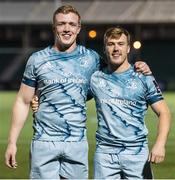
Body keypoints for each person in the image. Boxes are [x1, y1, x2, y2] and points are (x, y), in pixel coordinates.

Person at [5, 5, 151, 180]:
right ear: (54, 27)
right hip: (44, 142)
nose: (67, 29)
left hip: (77, 144)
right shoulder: (37, 59)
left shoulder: (92, 59)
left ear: (78, 28)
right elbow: (22, 100)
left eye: (72, 24)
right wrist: (12, 142)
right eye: (61, 24)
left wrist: (140, 66)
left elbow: (117, 71)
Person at [90, 26, 171, 179]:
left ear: (128, 48)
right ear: (105, 48)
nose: (116, 48)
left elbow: (164, 112)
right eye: (111, 44)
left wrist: (160, 144)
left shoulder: (143, 76)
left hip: (137, 153)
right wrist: (37, 99)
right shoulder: (95, 78)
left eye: (120, 44)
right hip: (105, 155)